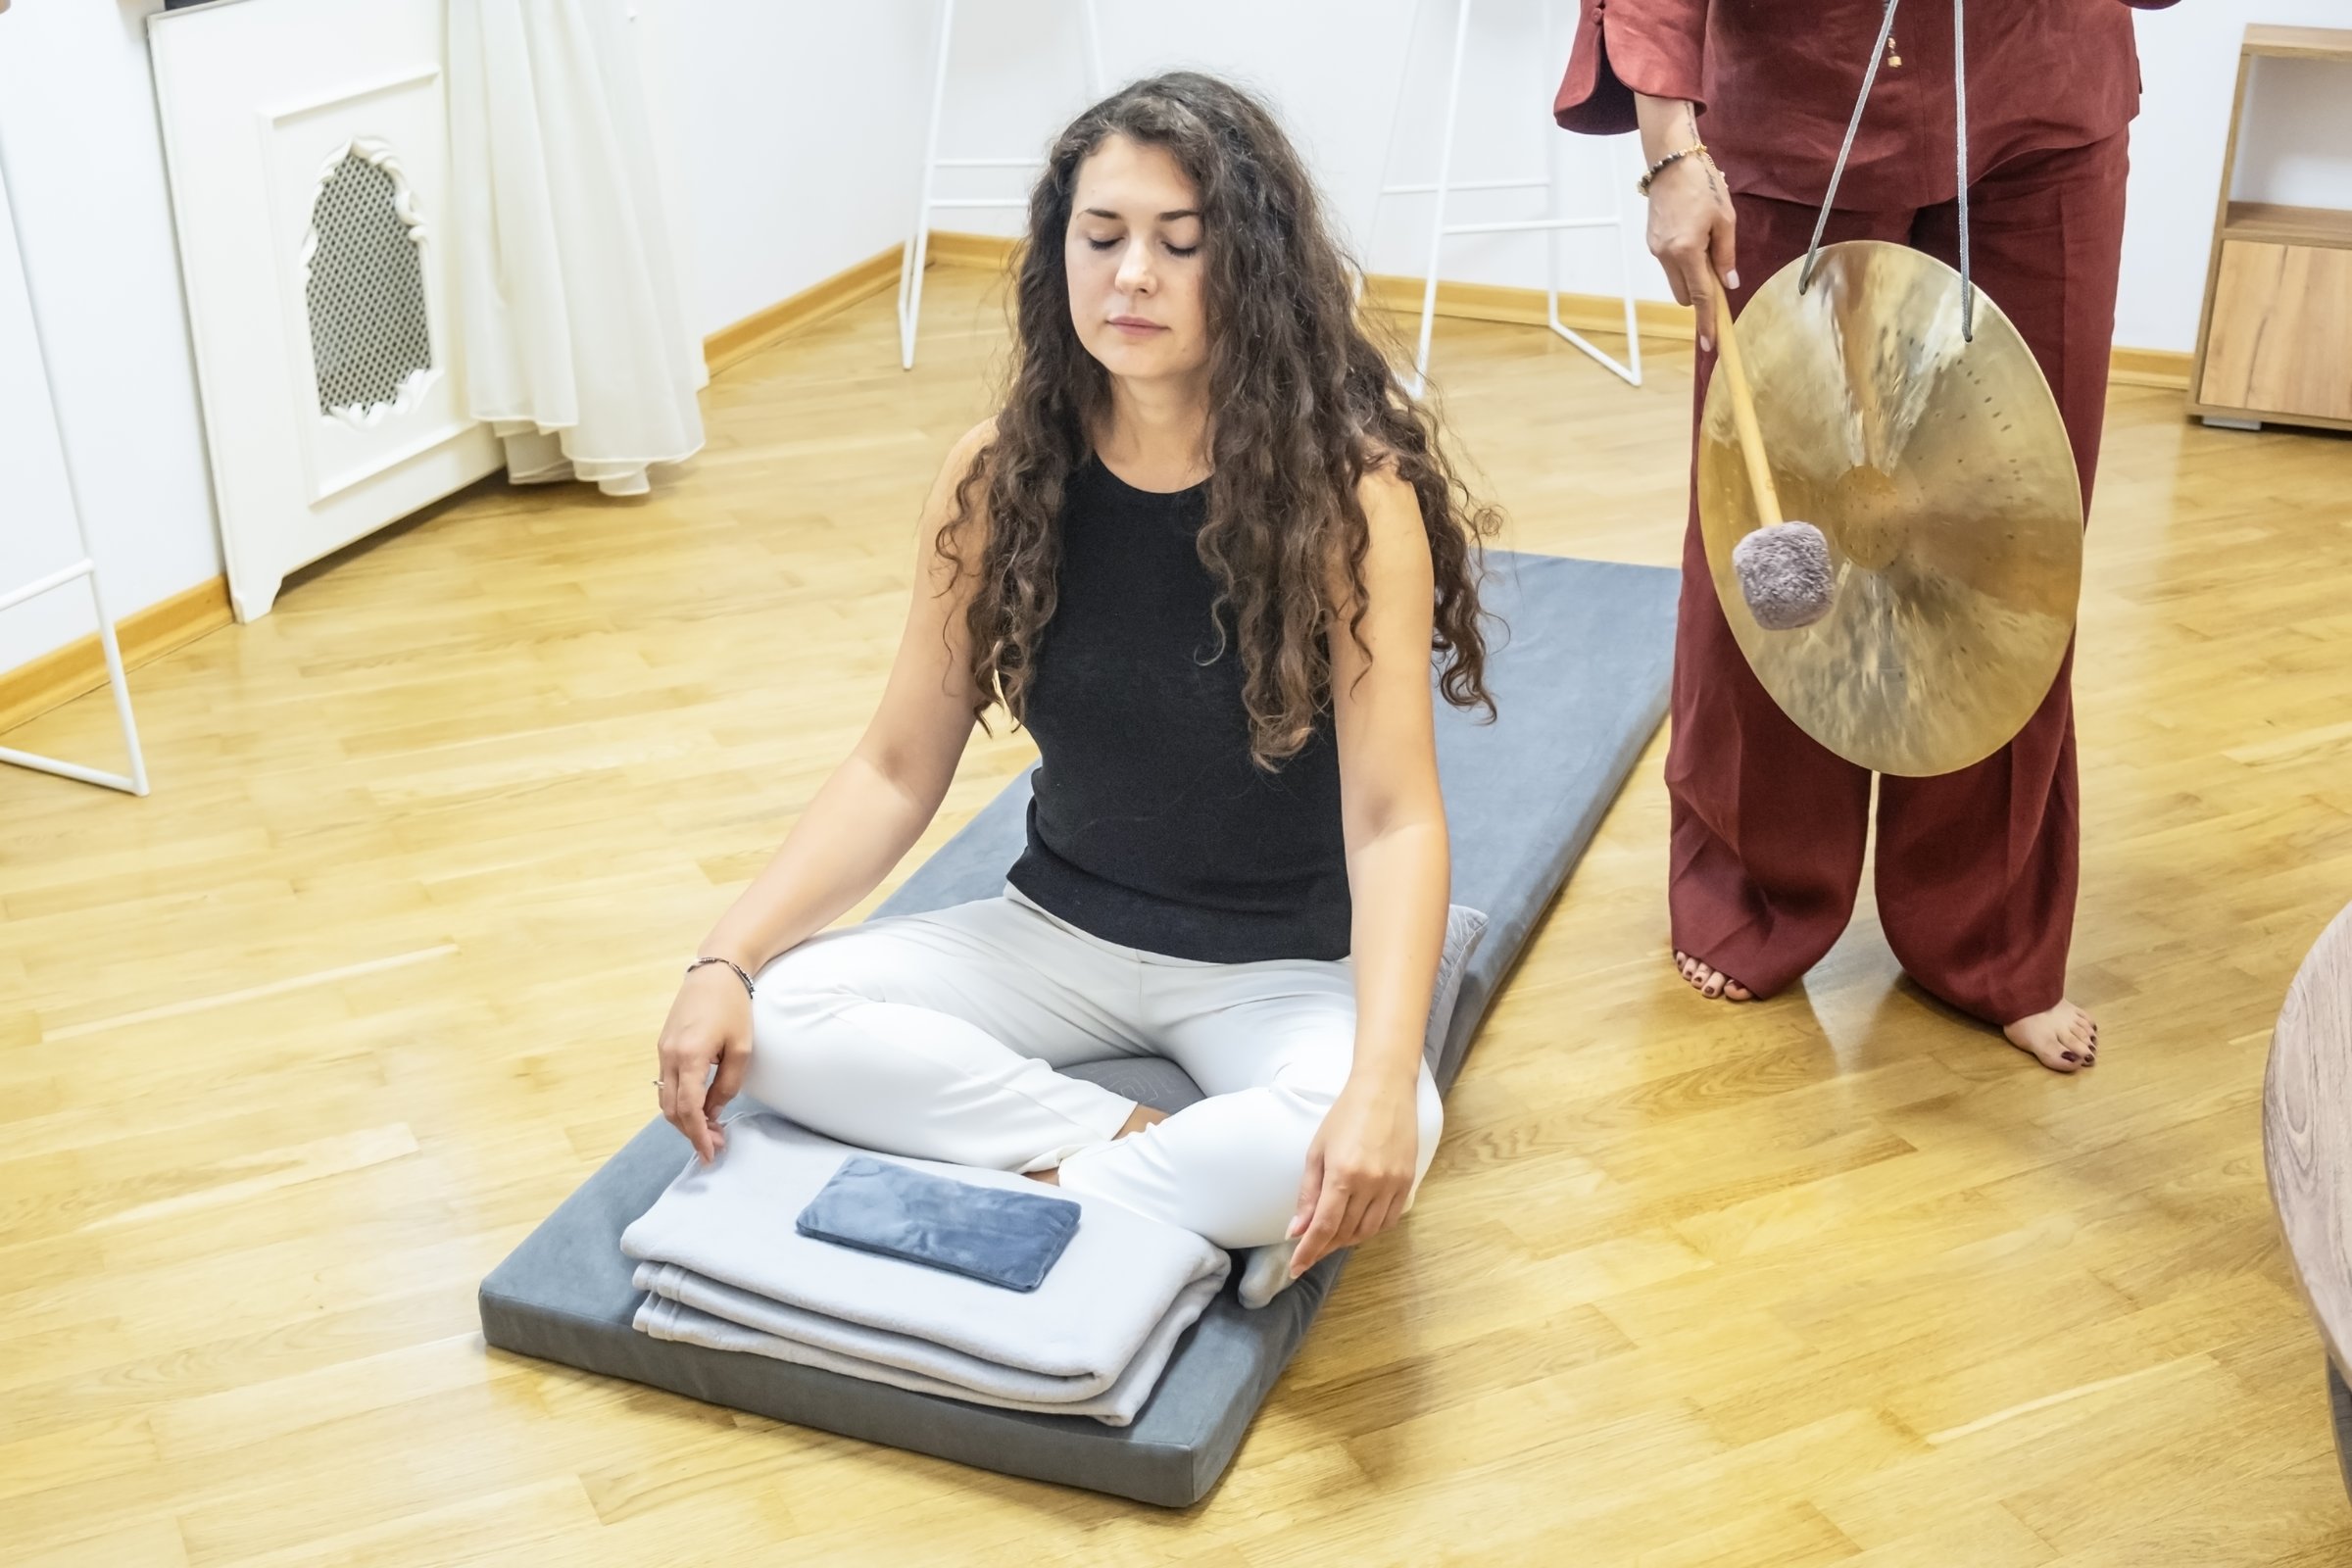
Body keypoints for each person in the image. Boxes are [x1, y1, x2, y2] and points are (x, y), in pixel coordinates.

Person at [652, 73, 1499, 1302]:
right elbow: (895, 766)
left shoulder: (1347, 500)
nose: (1132, 275)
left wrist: (1376, 1079)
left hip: (1280, 963)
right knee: (777, 1021)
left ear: (1250, 271)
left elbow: (1394, 816)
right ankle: (1125, 1169)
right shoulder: (998, 475)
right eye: (1101, 238)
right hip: (1055, 931)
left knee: (1389, 1136)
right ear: (1061, 256)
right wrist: (720, 960)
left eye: (1180, 244)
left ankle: (1022, 1197)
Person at [1557, 0, 2178, 1072]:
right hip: (1797, 98)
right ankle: (1758, 881)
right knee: (1777, 522)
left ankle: (1984, 928)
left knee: (2010, 543)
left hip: (2036, 100)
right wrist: (1669, 151)